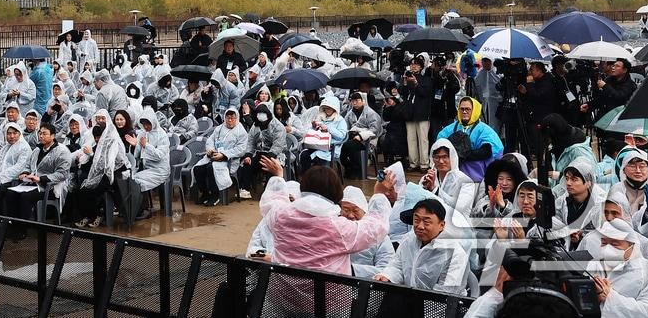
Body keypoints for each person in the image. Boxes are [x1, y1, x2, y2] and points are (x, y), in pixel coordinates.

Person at [257, 157, 396, 281]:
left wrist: (278, 177)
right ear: (337, 195)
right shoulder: (339, 228)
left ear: (302, 188)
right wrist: (379, 193)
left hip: (282, 297)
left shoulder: (280, 216)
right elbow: (376, 227)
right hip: (331, 301)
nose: (350, 215)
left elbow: (272, 200)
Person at [376, 198, 472, 294]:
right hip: (408, 296)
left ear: (441, 225)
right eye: (416, 220)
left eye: (427, 222)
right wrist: (387, 276)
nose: (420, 226)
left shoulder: (454, 254)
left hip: (436, 301)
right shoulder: (408, 240)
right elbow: (397, 266)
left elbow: (446, 293)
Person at [434, 96, 504, 182]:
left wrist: (462, 155)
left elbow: (488, 152)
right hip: (453, 178)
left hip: (478, 178)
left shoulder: (484, 130)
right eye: (462, 109)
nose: (464, 112)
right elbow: (439, 146)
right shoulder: (450, 129)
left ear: (475, 110)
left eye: (467, 109)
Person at [195, 108, 249, 205]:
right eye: (228, 118)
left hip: (228, 160)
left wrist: (224, 155)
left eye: (232, 118)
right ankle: (205, 193)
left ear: (237, 118)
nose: (230, 120)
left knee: (211, 168)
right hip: (214, 156)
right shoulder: (219, 128)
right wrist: (210, 149)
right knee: (198, 168)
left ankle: (215, 195)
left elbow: (241, 149)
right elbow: (210, 140)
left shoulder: (241, 132)